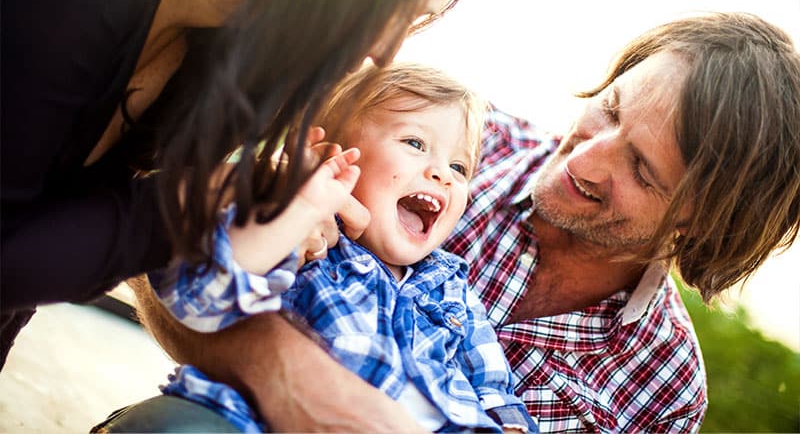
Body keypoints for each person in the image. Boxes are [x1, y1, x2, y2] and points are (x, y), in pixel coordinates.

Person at [122, 11, 800, 433]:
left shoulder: (665, 391)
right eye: (612, 110)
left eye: (643, 172)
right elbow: (161, 243)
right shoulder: (431, 143)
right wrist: (291, 376)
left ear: (702, 232)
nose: (586, 160)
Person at [0, 0, 502, 367]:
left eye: (418, 20)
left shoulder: (234, 66)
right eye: (397, 5)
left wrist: (249, 195)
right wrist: (207, 197)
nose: (389, 49)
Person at [146, 62, 538, 433]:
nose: (442, 174)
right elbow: (201, 295)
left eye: (459, 168)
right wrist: (300, 209)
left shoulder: (453, 286)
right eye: (415, 143)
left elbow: (493, 389)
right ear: (333, 156)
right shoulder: (309, 241)